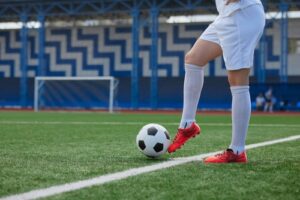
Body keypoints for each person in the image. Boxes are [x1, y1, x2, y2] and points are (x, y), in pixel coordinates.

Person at [167, 0, 265, 163]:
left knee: (237, 79)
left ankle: (237, 150)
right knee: (193, 59)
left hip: (241, 13)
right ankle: (187, 125)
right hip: (227, 14)